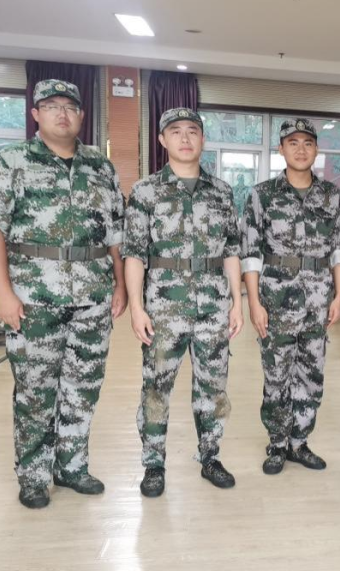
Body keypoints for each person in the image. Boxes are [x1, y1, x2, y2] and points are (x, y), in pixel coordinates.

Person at [0, 79, 127, 509]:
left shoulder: (100, 166)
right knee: (35, 390)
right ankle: (34, 475)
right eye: (52, 106)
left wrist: (119, 284)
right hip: (33, 297)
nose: (63, 113)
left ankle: (72, 467)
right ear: (35, 114)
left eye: (70, 107)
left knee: (84, 385)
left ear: (82, 115)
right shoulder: (12, 161)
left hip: (93, 296)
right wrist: (3, 293)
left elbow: (116, 234)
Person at [122, 107, 244, 498]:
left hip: (213, 306)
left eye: (193, 130)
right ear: (162, 140)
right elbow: (134, 254)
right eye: (176, 131)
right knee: (156, 388)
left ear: (203, 139)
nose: (185, 138)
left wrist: (237, 303)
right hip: (164, 308)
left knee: (213, 386)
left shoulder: (222, 192)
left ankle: (211, 457)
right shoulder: (145, 191)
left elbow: (232, 251)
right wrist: (137, 307)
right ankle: (153, 464)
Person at [242, 118, 340, 475]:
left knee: (311, 375)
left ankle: (299, 442)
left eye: (307, 143)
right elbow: (250, 253)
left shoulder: (332, 195)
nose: (300, 149)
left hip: (318, 301)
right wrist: (253, 302)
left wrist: (339, 295)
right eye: (293, 143)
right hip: (275, 301)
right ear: (281, 149)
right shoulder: (262, 195)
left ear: (316, 149)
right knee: (277, 376)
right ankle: (277, 444)